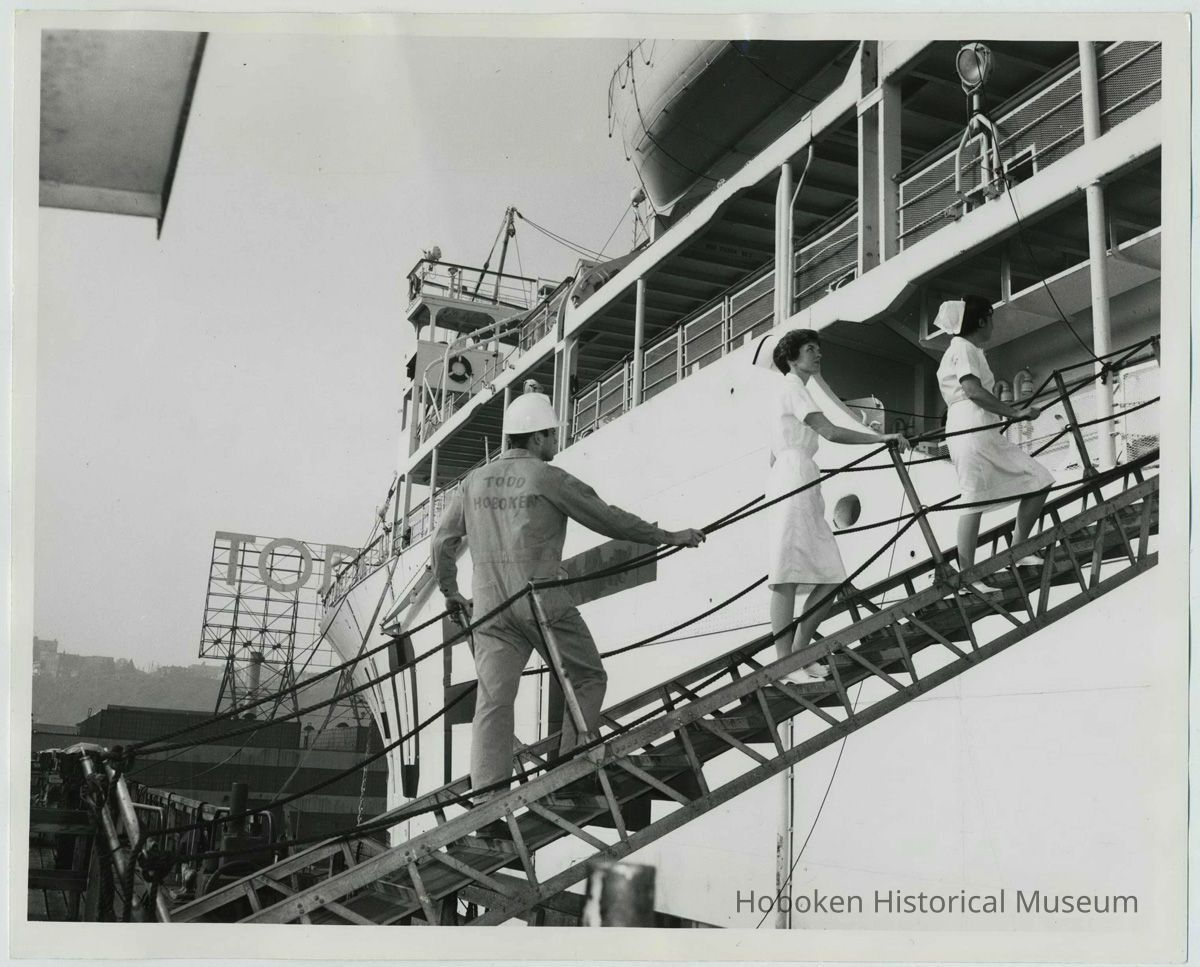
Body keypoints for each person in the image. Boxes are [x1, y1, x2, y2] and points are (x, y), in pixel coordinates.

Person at [431, 389, 706, 818]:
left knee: (494, 700)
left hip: (488, 609)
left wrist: (450, 592)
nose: (555, 443)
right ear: (537, 437)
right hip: (542, 601)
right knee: (588, 677)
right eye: (552, 435)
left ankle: (487, 798)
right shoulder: (546, 476)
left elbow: (443, 542)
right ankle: (574, 768)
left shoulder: (472, 484)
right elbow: (606, 517)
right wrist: (666, 536)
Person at [767, 329, 909, 682]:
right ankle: (785, 665)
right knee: (786, 573)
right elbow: (830, 432)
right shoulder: (792, 388)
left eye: (818, 349)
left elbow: (773, 452)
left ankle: (798, 655)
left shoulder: (794, 390)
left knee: (831, 574)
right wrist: (880, 438)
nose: (818, 355)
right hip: (794, 476)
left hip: (799, 475)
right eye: (810, 349)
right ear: (791, 357)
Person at [934, 296, 1053, 590]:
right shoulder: (963, 347)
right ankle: (969, 577)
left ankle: (1018, 551)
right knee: (974, 496)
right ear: (982, 320)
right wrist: (1014, 411)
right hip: (971, 426)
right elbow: (972, 389)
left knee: (1037, 479)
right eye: (991, 318)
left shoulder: (965, 348)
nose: (992, 325)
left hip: (977, 426)